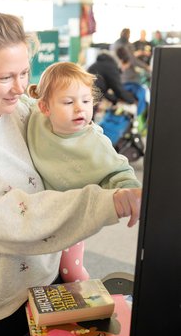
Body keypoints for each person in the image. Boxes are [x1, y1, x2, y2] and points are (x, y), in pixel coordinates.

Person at [0, 0, 141, 336]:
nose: (21, 88)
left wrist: (117, 176)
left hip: (45, 283)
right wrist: (110, 203)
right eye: (6, 77)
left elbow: (79, 140)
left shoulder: (22, 110)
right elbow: (11, 218)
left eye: (24, 73)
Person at [27, 61, 141, 283]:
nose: (80, 108)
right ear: (45, 108)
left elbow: (120, 171)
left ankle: (91, 304)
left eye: (86, 101)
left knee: (71, 272)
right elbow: (24, 100)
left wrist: (132, 193)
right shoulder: (36, 119)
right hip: (41, 215)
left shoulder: (95, 143)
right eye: (69, 102)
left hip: (72, 217)